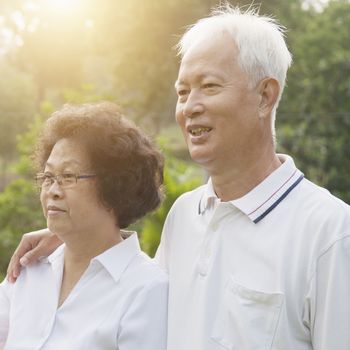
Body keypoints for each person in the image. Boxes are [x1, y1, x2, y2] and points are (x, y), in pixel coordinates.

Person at [6, 5, 350, 350]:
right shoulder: (185, 216)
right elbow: (135, 292)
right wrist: (74, 238)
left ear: (265, 96)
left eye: (209, 86)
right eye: (183, 92)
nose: (190, 106)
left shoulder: (330, 233)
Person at [0, 102, 168, 349]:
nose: (52, 191)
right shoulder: (30, 269)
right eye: (48, 177)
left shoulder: (146, 289)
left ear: (116, 186)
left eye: (69, 176)